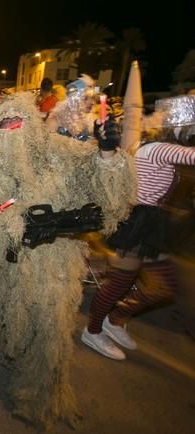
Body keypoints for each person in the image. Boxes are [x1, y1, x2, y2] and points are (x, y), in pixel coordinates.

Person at [0, 92, 135, 429]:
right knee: (4, 327)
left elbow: (109, 199)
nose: (11, 128)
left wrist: (108, 154)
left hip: (51, 267)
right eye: (3, 123)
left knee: (47, 337)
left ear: (34, 124)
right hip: (1, 268)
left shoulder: (60, 153)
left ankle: (40, 399)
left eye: (19, 121)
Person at [81, 94, 195, 360]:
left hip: (152, 225)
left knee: (163, 286)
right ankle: (93, 330)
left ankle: (116, 319)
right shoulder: (158, 148)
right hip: (136, 223)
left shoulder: (160, 146)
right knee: (117, 284)